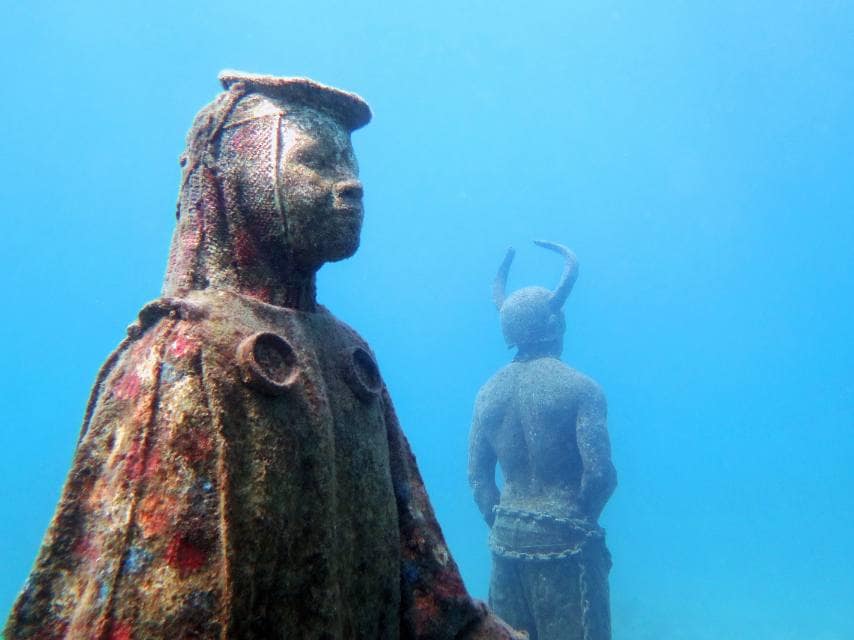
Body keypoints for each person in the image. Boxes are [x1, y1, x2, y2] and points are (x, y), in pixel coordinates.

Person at [6, 70, 522, 640]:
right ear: (234, 176)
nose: (352, 184)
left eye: (351, 165)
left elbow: (417, 556)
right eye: (316, 162)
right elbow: (138, 587)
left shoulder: (349, 354)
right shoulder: (185, 349)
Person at [468, 241, 617, 640]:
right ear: (555, 326)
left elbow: (480, 481)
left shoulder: (487, 394)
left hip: (506, 542)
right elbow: (600, 474)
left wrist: (506, 520)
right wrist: (576, 519)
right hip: (567, 543)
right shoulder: (582, 389)